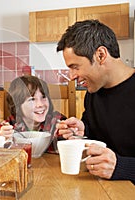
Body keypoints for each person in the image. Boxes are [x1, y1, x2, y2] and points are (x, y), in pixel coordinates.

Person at [56, 19, 135, 183]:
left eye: (75, 67)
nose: (72, 76)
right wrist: (82, 131)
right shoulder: (93, 92)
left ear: (101, 55)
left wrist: (121, 167)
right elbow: (100, 137)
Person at [0, 75, 66, 153]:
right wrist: (0, 138)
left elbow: (75, 139)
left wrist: (71, 135)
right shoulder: (11, 124)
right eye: (32, 99)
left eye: (43, 97)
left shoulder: (56, 121)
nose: (40, 104)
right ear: (17, 104)